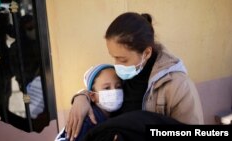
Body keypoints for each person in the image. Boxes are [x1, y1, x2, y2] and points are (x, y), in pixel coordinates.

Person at [66, 12, 204, 140]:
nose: (117, 65)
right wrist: (82, 97)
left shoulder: (177, 86)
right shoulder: (123, 76)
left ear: (146, 53)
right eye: (114, 58)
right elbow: (101, 89)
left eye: (122, 59)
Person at [55, 64, 123, 141]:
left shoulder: (116, 115)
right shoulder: (87, 121)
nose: (114, 91)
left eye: (118, 87)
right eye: (107, 88)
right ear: (92, 96)